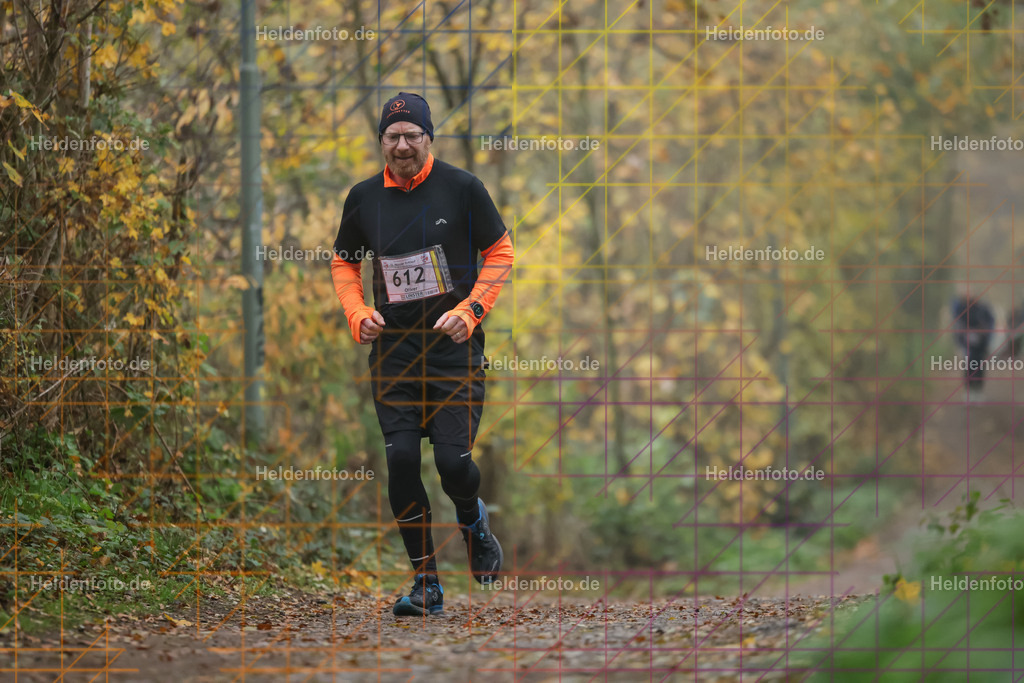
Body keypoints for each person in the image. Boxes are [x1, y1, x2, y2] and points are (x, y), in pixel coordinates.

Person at [331, 92, 514, 617]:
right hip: (394, 352)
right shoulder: (364, 198)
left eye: (413, 135)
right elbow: (344, 262)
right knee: (403, 461)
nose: (404, 145)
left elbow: (500, 253)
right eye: (393, 137)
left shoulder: (462, 189)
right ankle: (426, 585)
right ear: (382, 143)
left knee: (454, 464)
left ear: (429, 138)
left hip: (454, 349)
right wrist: (357, 311)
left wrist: (473, 308)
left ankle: (473, 522)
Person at [950, 293, 995, 400]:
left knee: (979, 368)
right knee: (969, 367)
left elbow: (990, 324)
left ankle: (977, 392)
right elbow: (958, 327)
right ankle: (969, 392)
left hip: (981, 345)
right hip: (968, 345)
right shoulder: (962, 310)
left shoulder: (984, 310)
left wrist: (984, 334)